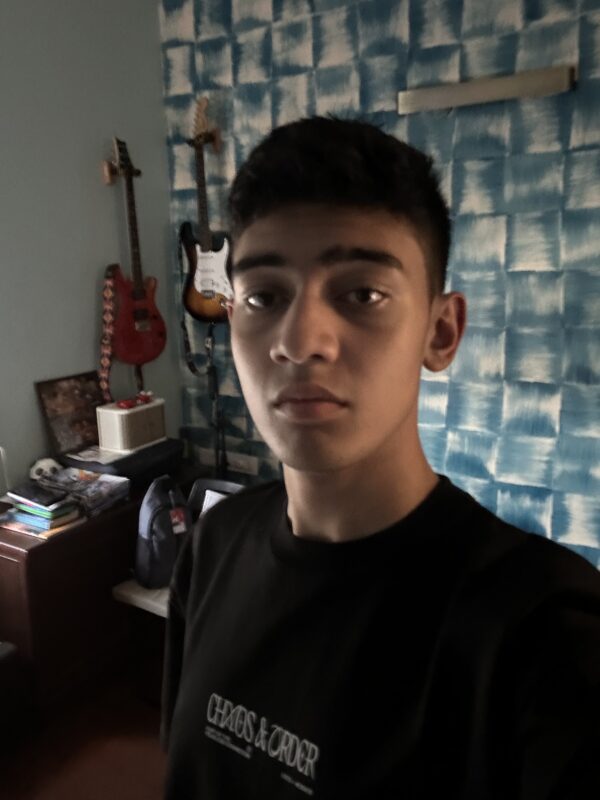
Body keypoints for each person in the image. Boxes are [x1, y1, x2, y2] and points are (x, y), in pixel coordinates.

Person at [162, 117, 600, 799]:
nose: (300, 341)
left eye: (361, 294)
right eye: (263, 296)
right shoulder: (214, 543)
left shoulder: (544, 633)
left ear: (441, 331)